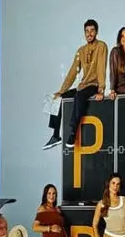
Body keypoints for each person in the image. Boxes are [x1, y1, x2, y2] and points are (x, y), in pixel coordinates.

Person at [44, 19, 107, 150]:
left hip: (94, 86)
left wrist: (101, 89)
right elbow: (72, 72)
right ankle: (55, 135)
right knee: (59, 98)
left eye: (92, 30)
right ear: (84, 33)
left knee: (79, 96)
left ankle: (73, 132)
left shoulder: (101, 46)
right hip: (83, 86)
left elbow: (101, 67)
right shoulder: (81, 51)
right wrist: (61, 91)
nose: (89, 33)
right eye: (87, 31)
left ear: (96, 32)